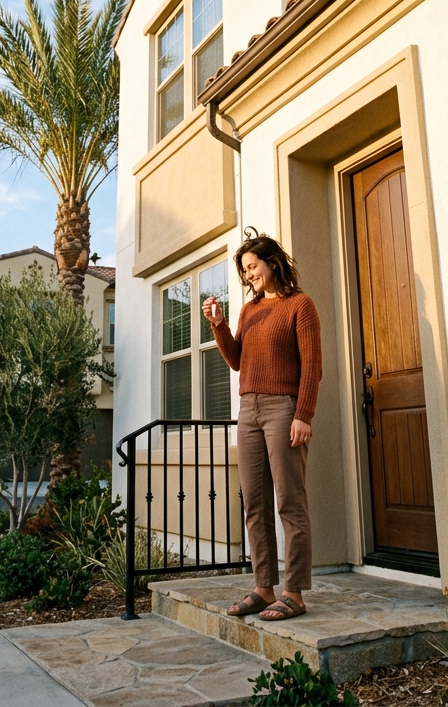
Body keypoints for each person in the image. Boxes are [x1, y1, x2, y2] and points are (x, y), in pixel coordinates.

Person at [202, 227, 322, 622]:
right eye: (244, 270)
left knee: (289, 500)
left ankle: (295, 592)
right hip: (248, 409)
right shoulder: (249, 310)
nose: (248, 274)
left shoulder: (300, 306)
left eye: (252, 266)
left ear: (272, 263)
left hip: (282, 407)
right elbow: (237, 360)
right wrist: (219, 325)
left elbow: (312, 366)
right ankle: (263, 588)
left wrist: (303, 414)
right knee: (254, 503)